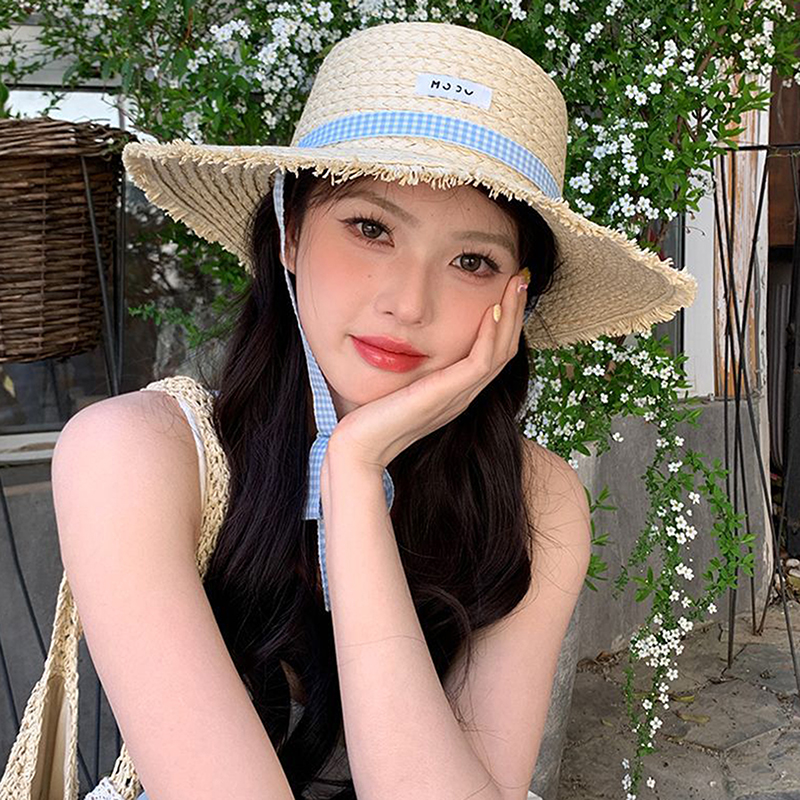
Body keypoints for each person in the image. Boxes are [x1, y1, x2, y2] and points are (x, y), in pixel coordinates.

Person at [52, 20, 696, 800]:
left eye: (472, 260)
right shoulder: (137, 457)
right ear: (290, 233)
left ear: (516, 299)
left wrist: (353, 472)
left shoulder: (535, 499)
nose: (408, 302)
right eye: (371, 228)